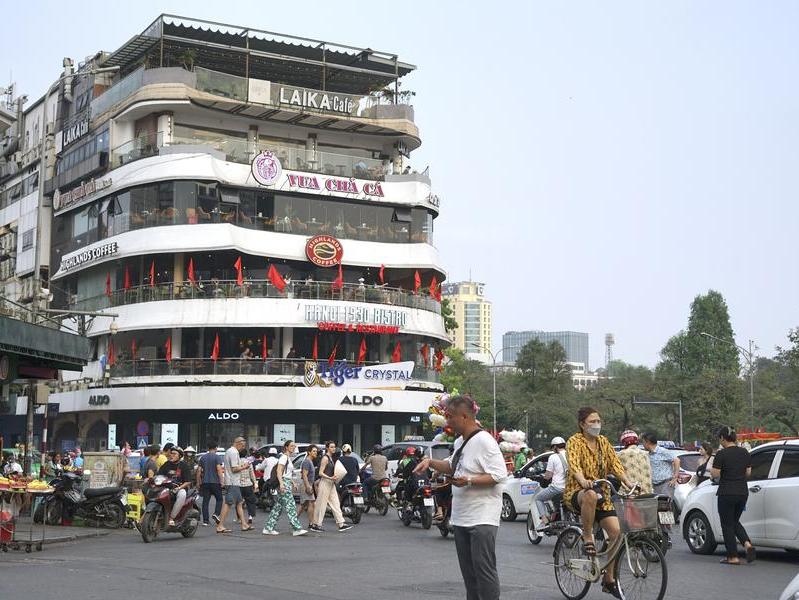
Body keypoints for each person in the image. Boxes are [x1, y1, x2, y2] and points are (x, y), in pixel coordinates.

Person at [413, 394, 507, 600]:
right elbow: (451, 466)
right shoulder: (459, 442)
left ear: (464, 416)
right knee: (469, 575)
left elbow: (500, 475)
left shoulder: (484, 441)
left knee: (484, 572)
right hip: (462, 518)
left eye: (451, 417)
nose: (448, 422)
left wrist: (470, 481)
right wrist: (430, 462)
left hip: (482, 518)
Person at [564, 407, 637, 598]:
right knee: (589, 495)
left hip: (602, 494)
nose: (597, 425)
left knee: (616, 533)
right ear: (582, 424)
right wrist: (583, 481)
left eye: (598, 421)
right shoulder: (574, 441)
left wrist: (629, 482)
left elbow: (615, 465)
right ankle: (588, 536)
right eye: (592, 422)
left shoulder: (604, 442)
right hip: (577, 492)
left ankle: (609, 579)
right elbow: (574, 465)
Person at [712, 426, 755, 565]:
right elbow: (748, 473)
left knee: (726, 524)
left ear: (723, 438)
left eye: (719, 438)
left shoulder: (721, 454)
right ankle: (747, 544)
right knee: (734, 521)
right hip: (743, 492)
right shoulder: (745, 453)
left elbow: (715, 474)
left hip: (727, 492)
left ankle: (733, 557)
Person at [262, 440, 307, 536]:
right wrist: (282, 484)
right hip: (283, 483)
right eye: (291, 446)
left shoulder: (288, 458)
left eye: (294, 446)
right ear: (286, 447)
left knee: (278, 507)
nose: (293, 447)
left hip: (286, 482)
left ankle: (268, 528)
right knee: (291, 505)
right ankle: (296, 528)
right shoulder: (283, 457)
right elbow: (279, 471)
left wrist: (293, 482)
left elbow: (287, 474)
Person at [311, 441, 352, 533]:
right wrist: (330, 477)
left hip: (331, 483)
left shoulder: (331, 458)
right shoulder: (325, 458)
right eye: (331, 447)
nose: (333, 449)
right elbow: (320, 473)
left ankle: (341, 524)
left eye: (334, 447)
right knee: (321, 504)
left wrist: (333, 478)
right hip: (325, 482)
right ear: (327, 448)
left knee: (336, 503)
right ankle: (316, 524)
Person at [534, 437, 568, 527]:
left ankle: (544, 520)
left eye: (553, 447)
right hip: (570, 488)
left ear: (555, 447)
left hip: (557, 488)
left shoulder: (553, 457)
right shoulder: (571, 455)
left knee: (538, 498)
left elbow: (548, 475)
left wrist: (543, 477)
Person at [217, 437, 247, 534]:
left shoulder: (230, 451)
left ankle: (244, 524)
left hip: (233, 481)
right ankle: (220, 525)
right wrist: (244, 467)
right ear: (238, 443)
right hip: (232, 482)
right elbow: (234, 469)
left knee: (239, 503)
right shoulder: (234, 452)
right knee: (228, 503)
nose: (243, 448)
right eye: (242, 446)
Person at [157, 446, 191, 527]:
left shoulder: (184, 465)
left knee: (182, 494)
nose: (172, 455)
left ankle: (171, 518)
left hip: (179, 488)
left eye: (174, 454)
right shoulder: (166, 464)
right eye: (171, 453)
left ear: (179, 456)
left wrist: (179, 488)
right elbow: (159, 475)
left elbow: (188, 481)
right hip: (166, 487)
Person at [641, 432, 681, 497]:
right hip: (654, 486)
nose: (643, 444)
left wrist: (675, 478)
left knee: (665, 506)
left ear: (648, 442)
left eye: (643, 442)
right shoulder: (648, 454)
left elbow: (677, 460)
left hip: (665, 485)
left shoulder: (662, 451)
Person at [196, 439, 224, 527]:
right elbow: (219, 470)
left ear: (208, 448)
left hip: (205, 482)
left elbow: (199, 471)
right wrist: (222, 481)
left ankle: (205, 521)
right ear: (216, 448)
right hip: (215, 482)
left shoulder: (203, 458)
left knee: (205, 501)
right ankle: (216, 513)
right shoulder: (217, 457)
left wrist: (198, 482)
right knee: (219, 499)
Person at [617, 430, 654, 495]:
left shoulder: (621, 454)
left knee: (612, 500)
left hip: (629, 492)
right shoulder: (645, 454)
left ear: (624, 442)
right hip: (648, 492)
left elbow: (613, 469)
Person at [297, 445, 318, 525]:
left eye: (316, 451)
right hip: (306, 484)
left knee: (303, 505)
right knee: (311, 503)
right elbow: (304, 475)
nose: (315, 453)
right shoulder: (307, 461)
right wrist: (308, 486)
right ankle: (311, 523)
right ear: (309, 452)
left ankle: (294, 519)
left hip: (309, 484)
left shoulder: (310, 461)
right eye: (314, 451)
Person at [238, 447, 258, 529]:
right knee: (250, 501)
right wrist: (255, 482)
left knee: (239, 502)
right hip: (248, 484)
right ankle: (250, 517)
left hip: (239, 485)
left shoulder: (237, 462)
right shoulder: (248, 462)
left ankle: (240, 518)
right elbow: (252, 474)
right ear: (246, 454)